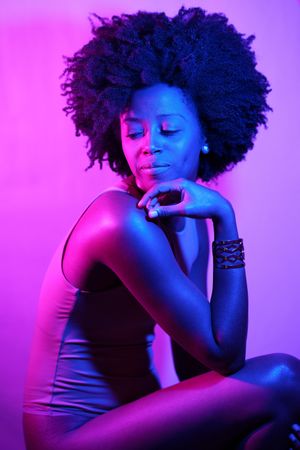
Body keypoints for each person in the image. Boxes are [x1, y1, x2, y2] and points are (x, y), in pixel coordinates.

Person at [23, 7, 300, 450]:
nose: (149, 146)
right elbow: (224, 353)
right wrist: (226, 219)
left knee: (270, 408)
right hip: (72, 436)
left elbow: (203, 368)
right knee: (284, 379)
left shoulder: (184, 215)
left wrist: (253, 413)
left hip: (138, 415)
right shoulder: (119, 221)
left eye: (169, 129)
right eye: (133, 132)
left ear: (206, 133)